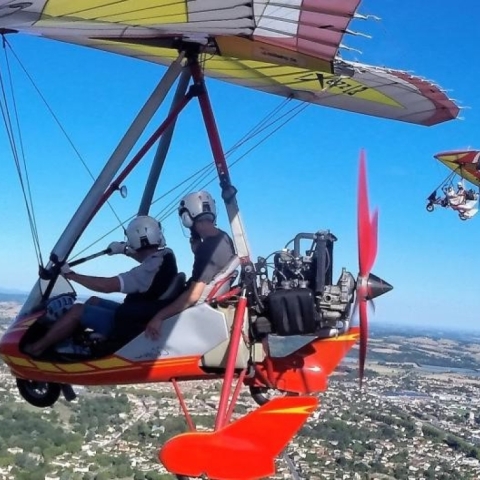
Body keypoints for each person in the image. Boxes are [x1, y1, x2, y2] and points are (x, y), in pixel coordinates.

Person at [24, 215, 178, 357]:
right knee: (93, 301)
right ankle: (67, 340)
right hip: (140, 312)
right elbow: (146, 256)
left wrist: (72, 275)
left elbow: (107, 286)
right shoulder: (165, 256)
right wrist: (124, 250)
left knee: (78, 310)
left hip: (129, 325)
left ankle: (37, 348)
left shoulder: (148, 271)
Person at [145, 190, 236, 340]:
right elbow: (211, 267)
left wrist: (159, 317)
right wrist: (197, 251)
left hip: (188, 307)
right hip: (202, 304)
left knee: (126, 312)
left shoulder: (207, 251)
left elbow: (193, 296)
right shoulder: (223, 238)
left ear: (187, 218)